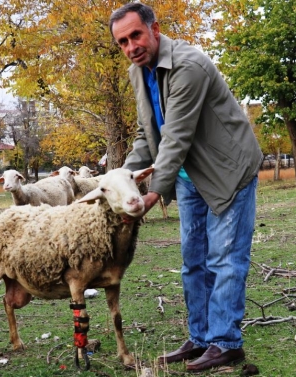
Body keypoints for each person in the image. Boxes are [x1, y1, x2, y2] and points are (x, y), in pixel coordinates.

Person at [109, 3, 263, 372]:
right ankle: (201, 338)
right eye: (122, 42)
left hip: (227, 172)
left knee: (224, 259)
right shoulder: (138, 72)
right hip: (189, 176)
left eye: (136, 35)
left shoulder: (188, 66)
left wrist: (151, 194)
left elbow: (176, 136)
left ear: (154, 29)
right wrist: (120, 181)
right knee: (193, 261)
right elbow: (148, 137)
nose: (131, 46)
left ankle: (226, 343)